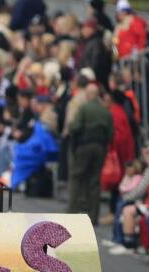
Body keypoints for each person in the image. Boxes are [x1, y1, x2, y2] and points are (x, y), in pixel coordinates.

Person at [66, 77, 113, 227]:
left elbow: (74, 127)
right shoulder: (105, 111)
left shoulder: (84, 108)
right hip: (100, 147)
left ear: (88, 94)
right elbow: (111, 134)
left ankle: (72, 212)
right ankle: (93, 216)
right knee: (94, 182)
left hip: (84, 146)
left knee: (77, 178)